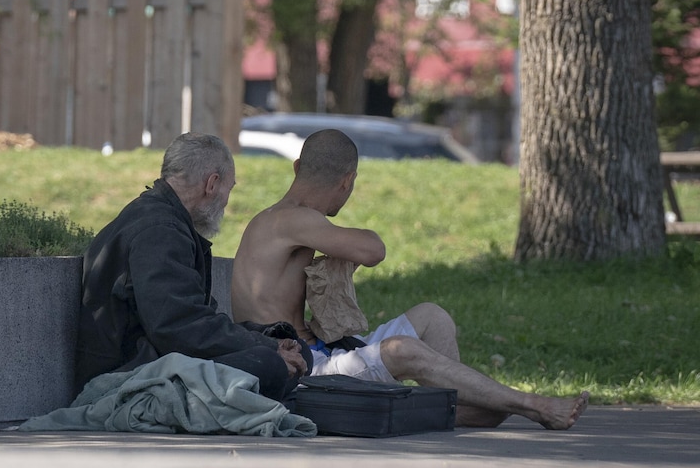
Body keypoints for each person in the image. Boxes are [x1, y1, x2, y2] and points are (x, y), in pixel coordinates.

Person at [231, 129, 589, 430]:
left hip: (328, 354)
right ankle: (534, 405)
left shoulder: (278, 220)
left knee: (432, 317)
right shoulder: (295, 219)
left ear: (297, 167)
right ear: (348, 181)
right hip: (306, 371)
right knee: (403, 349)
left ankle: (462, 404)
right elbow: (373, 250)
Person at [75, 132, 311, 402]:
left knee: (295, 351)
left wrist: (271, 339)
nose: (226, 200)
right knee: (269, 365)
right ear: (212, 184)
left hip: (160, 357)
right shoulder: (159, 230)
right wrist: (266, 348)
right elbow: (178, 327)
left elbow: (195, 318)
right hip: (126, 376)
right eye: (229, 189)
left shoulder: (165, 221)